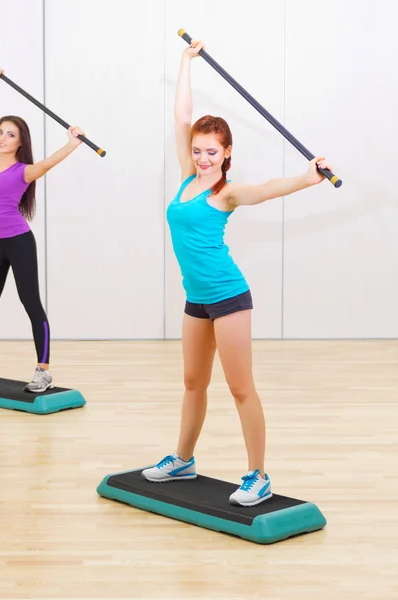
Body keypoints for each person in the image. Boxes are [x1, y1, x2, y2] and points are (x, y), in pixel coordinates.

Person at [142, 40, 333, 506]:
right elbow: (181, 117)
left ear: (228, 153)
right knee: (192, 382)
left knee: (240, 387)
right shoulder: (188, 177)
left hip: (228, 296)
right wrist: (186, 63)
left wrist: (307, 178)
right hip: (196, 298)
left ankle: (258, 474)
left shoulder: (227, 192)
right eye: (198, 150)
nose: (203, 157)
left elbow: (268, 189)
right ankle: (183, 460)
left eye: (212, 151)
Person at [0, 66, 84, 392]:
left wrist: (72, 143)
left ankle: (43, 369)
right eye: (1, 132)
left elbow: (50, 162)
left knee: (30, 302)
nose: (2, 138)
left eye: (10, 134)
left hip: (19, 242)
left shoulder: (24, 171)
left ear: (21, 140)